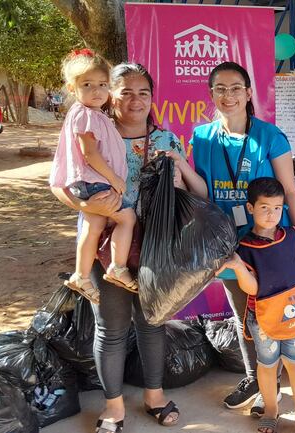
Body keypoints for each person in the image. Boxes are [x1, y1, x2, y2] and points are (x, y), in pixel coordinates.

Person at [51, 62, 205, 433]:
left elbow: (199, 194)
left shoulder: (168, 141)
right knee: (112, 327)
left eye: (144, 93)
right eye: (126, 92)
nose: (136, 101)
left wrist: (180, 165)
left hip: (155, 245)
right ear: (110, 96)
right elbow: (57, 183)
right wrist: (85, 205)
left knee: (153, 322)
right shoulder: (90, 132)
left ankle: (154, 396)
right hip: (104, 245)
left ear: (153, 98)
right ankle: (114, 407)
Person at [189, 61, 295, 415]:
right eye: (220, 89)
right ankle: (259, 380)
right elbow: (202, 191)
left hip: (273, 246)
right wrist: (179, 168)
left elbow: (290, 191)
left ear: (248, 94)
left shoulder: (270, 137)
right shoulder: (202, 138)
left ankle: (275, 383)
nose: (228, 96)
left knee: (277, 310)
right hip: (230, 247)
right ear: (211, 94)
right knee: (245, 315)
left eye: (235, 88)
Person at [219, 177, 295, 433]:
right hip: (262, 318)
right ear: (250, 208)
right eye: (264, 207)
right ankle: (271, 410)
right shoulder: (245, 247)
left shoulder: (292, 236)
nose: (271, 214)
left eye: (277, 207)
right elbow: (253, 288)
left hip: (294, 315)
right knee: (267, 365)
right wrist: (239, 267)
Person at [49, 49, 137, 303]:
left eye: (102, 85)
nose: (97, 91)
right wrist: (114, 179)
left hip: (88, 181)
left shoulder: (93, 114)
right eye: (87, 85)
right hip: (94, 181)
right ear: (71, 87)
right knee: (127, 218)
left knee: (94, 225)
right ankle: (118, 267)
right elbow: (91, 154)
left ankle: (81, 275)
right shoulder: (85, 114)